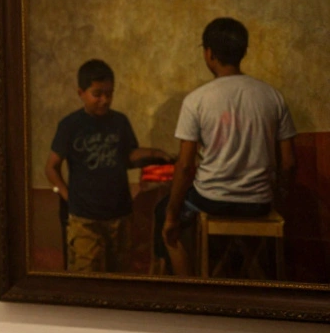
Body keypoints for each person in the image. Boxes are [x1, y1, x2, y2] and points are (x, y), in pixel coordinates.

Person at [159, 18, 298, 277]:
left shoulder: (196, 100)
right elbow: (289, 163)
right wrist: (277, 198)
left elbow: (186, 166)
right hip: (259, 203)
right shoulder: (272, 97)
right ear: (243, 52)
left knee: (163, 213)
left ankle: (189, 290)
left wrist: (171, 215)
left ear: (209, 53)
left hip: (213, 201)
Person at [45, 60, 169, 273]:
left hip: (120, 215)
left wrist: (156, 155)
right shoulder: (70, 125)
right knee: (86, 275)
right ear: (81, 92)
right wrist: (67, 195)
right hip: (85, 221)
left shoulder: (120, 122)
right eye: (97, 94)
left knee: (118, 276)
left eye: (109, 94)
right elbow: (51, 167)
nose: (104, 100)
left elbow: (129, 157)